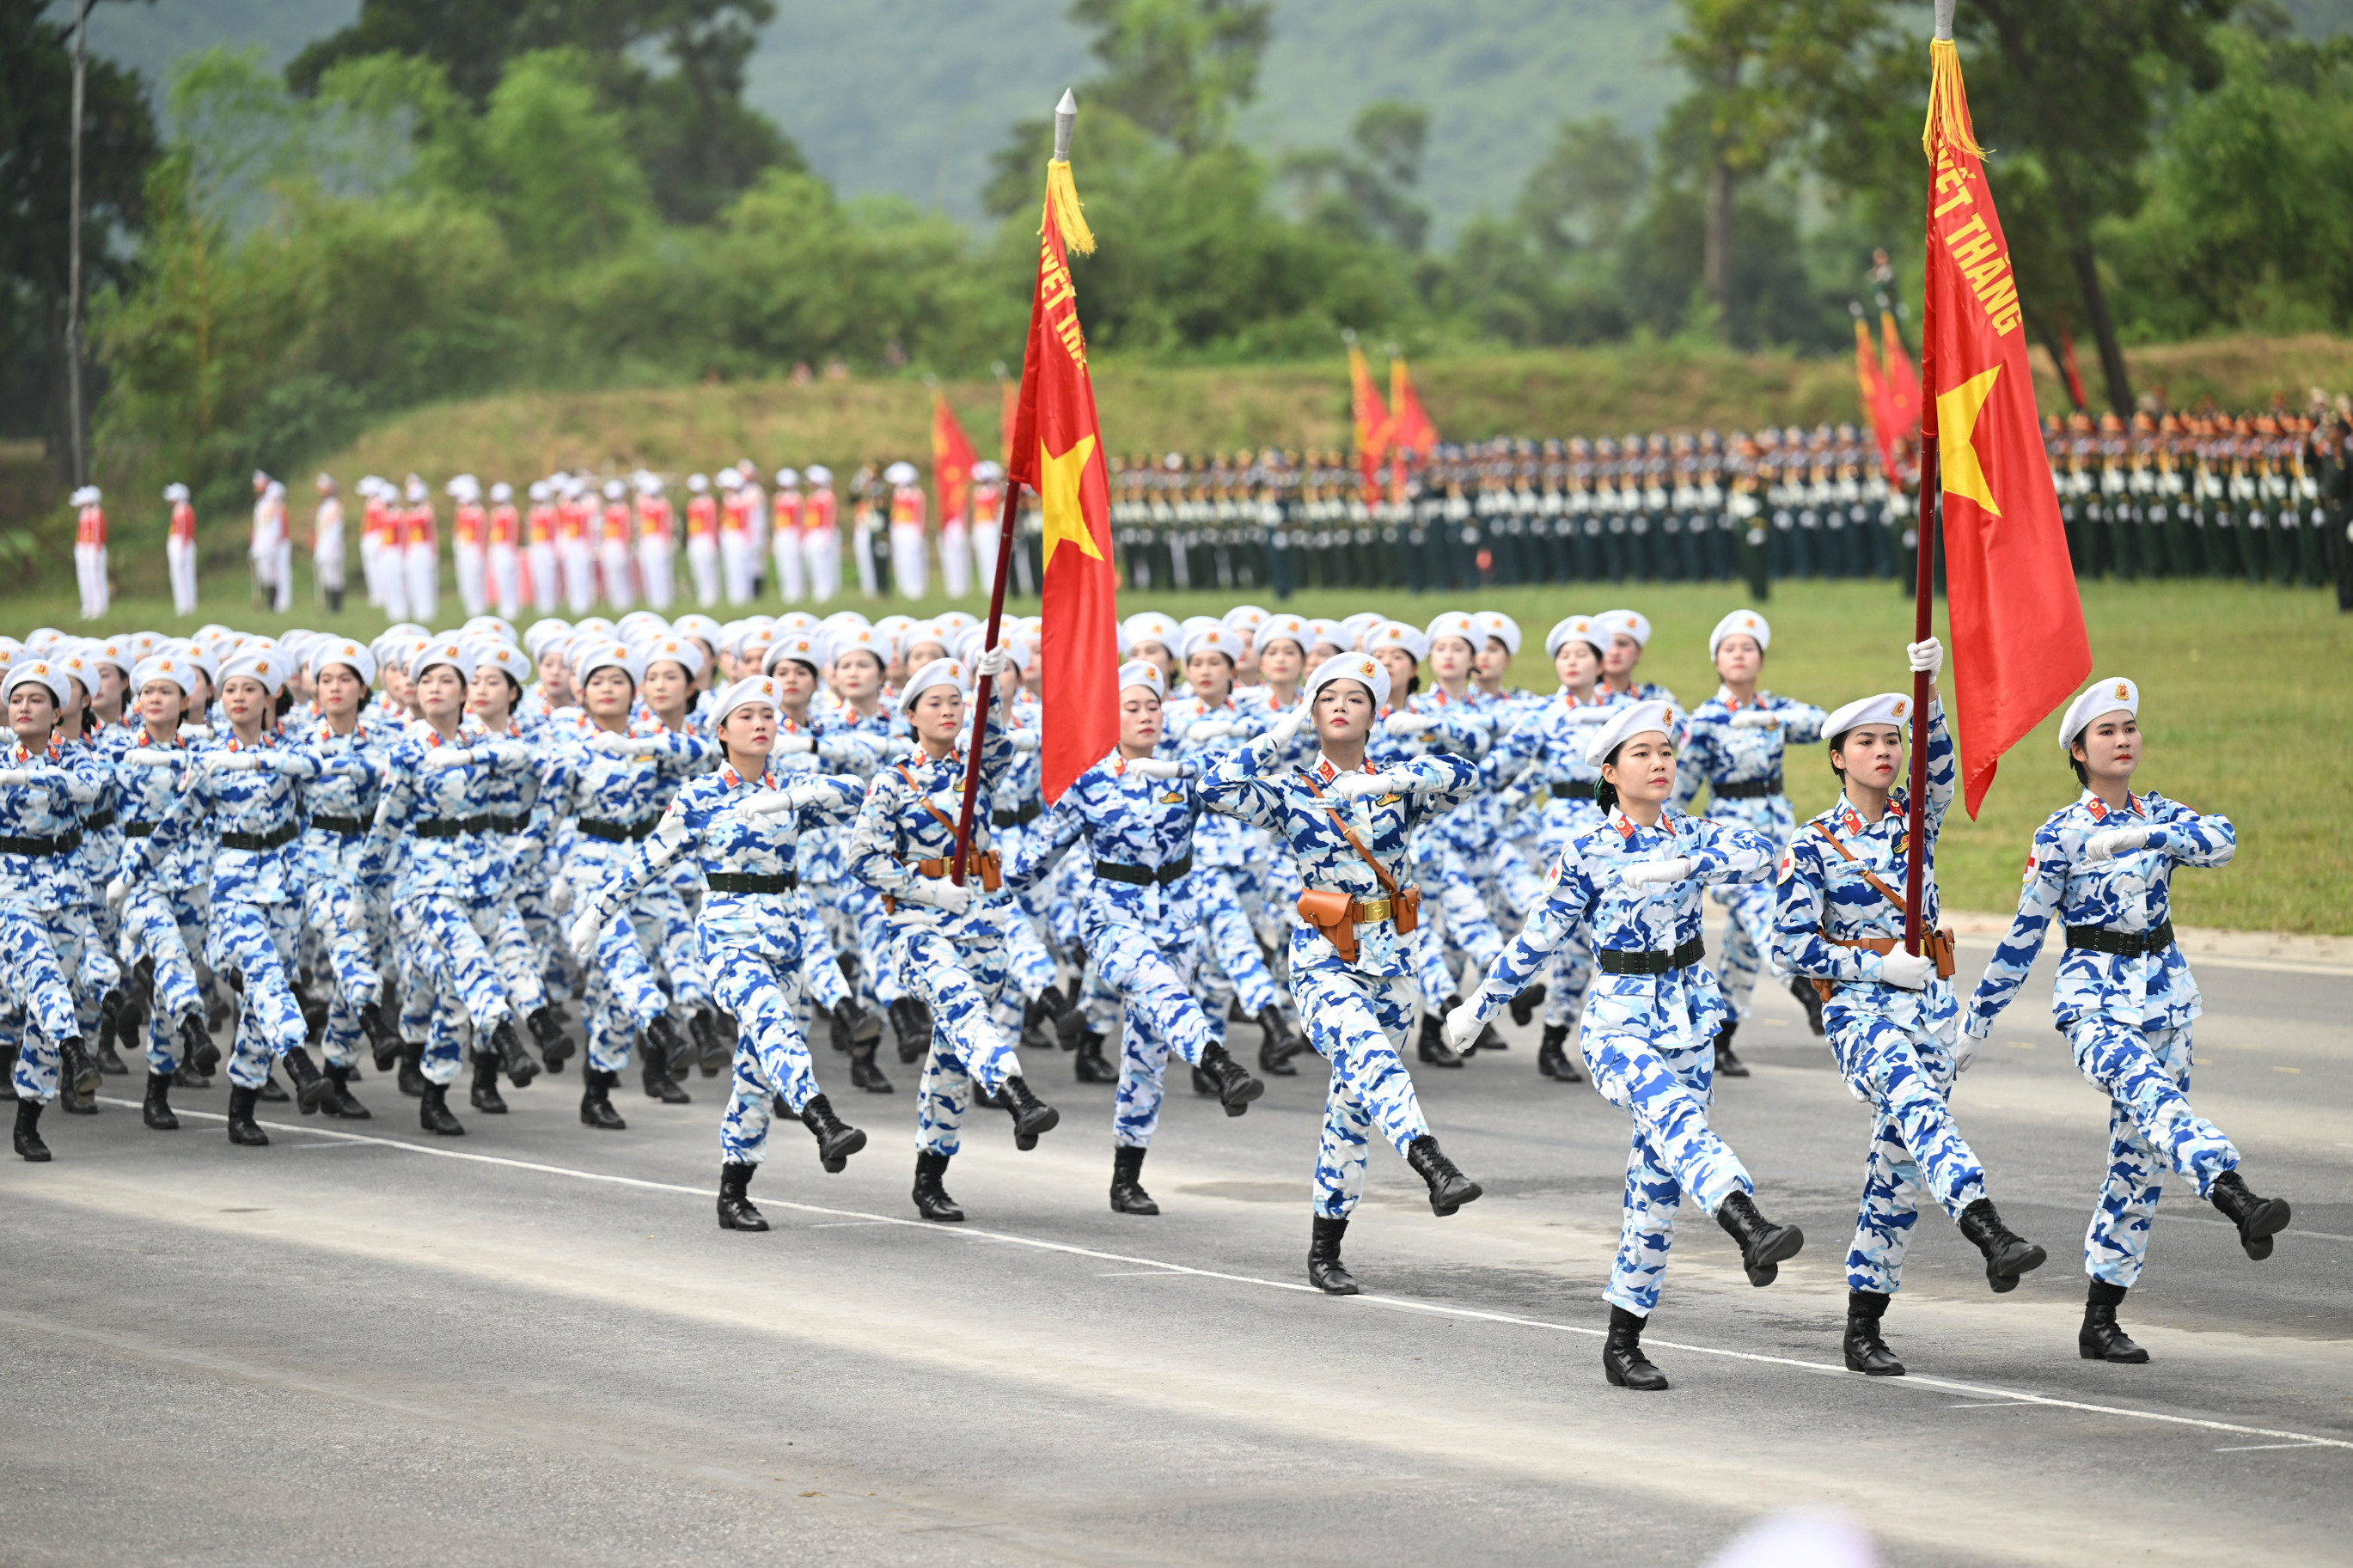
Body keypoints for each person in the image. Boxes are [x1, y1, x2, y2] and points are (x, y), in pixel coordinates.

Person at [1445, 699, 1803, 1391]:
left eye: (1665, 752)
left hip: (1690, 1019)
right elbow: (1536, 940)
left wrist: (1683, 864)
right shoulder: (1586, 852)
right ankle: (1747, 1221)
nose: (1660, 762)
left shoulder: (1692, 832)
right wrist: (1478, 1007)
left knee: (1656, 1191)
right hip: (1621, 1025)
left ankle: (1623, 1341)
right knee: (1679, 1121)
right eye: (1642, 754)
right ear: (1610, 772)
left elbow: (1764, 855)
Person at [1964, 678, 2290, 1362]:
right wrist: (1976, 1023)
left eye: (2130, 727)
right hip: (2097, 1007)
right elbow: (2023, 936)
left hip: (2166, 1000)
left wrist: (2151, 833)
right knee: (2155, 1099)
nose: (2123, 740)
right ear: (2079, 752)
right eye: (2106, 732)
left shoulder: (2162, 814)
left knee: (2137, 1165)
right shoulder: (2060, 834)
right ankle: (2234, 1194)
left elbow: (2223, 840)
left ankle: (2101, 1318)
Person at [1774, 640, 2049, 1381]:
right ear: (1838, 757)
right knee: (1919, 1107)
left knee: (1895, 1170)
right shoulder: (1814, 844)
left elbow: (1942, 769)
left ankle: (1863, 1325)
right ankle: (1987, 1228)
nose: (1884, 752)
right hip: (1861, 1011)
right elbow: (1789, 944)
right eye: (1866, 742)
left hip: (1929, 1003)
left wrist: (1929, 693)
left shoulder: (1915, 817)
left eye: (1892, 740)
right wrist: (1872, 964)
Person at [1199, 652, 1484, 1296]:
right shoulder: (1292, 789)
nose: (1340, 706)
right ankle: (1431, 1161)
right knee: (1375, 1063)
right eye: (1326, 697)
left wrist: (1393, 780)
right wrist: (1280, 732)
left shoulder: (1397, 785)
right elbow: (1213, 787)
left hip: (1394, 960)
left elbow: (1468, 775)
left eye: (1356, 698)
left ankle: (1325, 1248)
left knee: (1352, 1110)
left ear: (1374, 715)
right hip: (1325, 957)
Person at [571, 673, 871, 1231]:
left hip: (786, 936)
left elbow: (859, 792)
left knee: (756, 1070)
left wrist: (791, 796)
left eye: (768, 715)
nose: (760, 724)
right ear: (722, 732)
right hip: (730, 936)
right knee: (773, 1024)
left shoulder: (792, 785)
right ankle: (823, 1119)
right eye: (746, 717)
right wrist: (598, 911)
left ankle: (734, 1190)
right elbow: (648, 860)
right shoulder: (700, 796)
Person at [1010, 660, 1265, 1216]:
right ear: (1111, 718)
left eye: (1153, 706)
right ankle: (1219, 1063)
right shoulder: (1090, 783)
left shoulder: (1184, 774)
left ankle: (1126, 1176)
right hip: (1114, 920)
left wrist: (1197, 767)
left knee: (1147, 1054)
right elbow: (1035, 860)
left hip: (1176, 920)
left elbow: (1242, 781)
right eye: (1132, 707)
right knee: (1162, 990)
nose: (1146, 715)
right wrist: (980, 873)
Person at [847, 651, 1060, 1223]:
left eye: (955, 702)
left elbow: (996, 740)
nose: (948, 711)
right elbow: (862, 858)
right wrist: (926, 889)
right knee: (964, 1009)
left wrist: (988, 689)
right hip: (920, 927)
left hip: (982, 922)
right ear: (912, 715)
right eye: (935, 703)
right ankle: (1016, 1093)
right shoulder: (893, 782)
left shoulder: (977, 768)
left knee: (951, 1055)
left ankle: (930, 1177)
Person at [1672, 610, 1827, 1077]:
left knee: (1741, 948)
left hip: (1776, 833)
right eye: (1729, 649)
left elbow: (1823, 724)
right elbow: (1683, 784)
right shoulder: (1707, 719)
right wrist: (1666, 835)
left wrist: (1772, 718)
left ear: (1760, 659)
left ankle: (1719, 1039)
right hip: (1731, 841)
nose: (1739, 656)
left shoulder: (1773, 710)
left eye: (1748, 648)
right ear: (1717, 662)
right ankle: (1804, 986)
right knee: (1763, 910)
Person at [1, 656, 101, 1160]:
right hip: (11, 889)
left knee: (45, 1009)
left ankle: (27, 1122)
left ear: (57, 712)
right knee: (42, 975)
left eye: (35, 699)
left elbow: (88, 789)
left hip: (65, 891)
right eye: (16, 699)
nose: (24, 707)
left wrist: (26, 778)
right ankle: (76, 1049)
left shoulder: (77, 756)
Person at [885, 461, 928, 601]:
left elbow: (921, 513)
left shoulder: (916, 493)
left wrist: (921, 532)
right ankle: (904, 586)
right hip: (899, 528)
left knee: (914, 558)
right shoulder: (896, 493)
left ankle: (917, 588)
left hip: (912, 529)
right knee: (901, 558)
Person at [72, 486, 108, 621]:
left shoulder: (97, 513)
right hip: (84, 548)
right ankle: (88, 605)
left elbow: (99, 533)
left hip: (94, 548)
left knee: (96, 577)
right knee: (85, 577)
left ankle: (100, 606)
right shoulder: (84, 514)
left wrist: (96, 549)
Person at [313, 473, 348, 613]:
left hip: (333, 545)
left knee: (335, 576)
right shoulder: (324, 506)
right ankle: (329, 604)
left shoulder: (335, 506)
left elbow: (336, 529)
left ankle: (336, 606)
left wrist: (334, 545)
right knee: (326, 576)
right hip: (324, 544)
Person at [164, 483, 199, 618]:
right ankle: (183, 605)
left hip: (182, 547)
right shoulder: (179, 510)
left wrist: (182, 550)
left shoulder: (183, 510)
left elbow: (185, 532)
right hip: (179, 546)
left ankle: (186, 605)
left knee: (184, 576)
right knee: (179, 576)